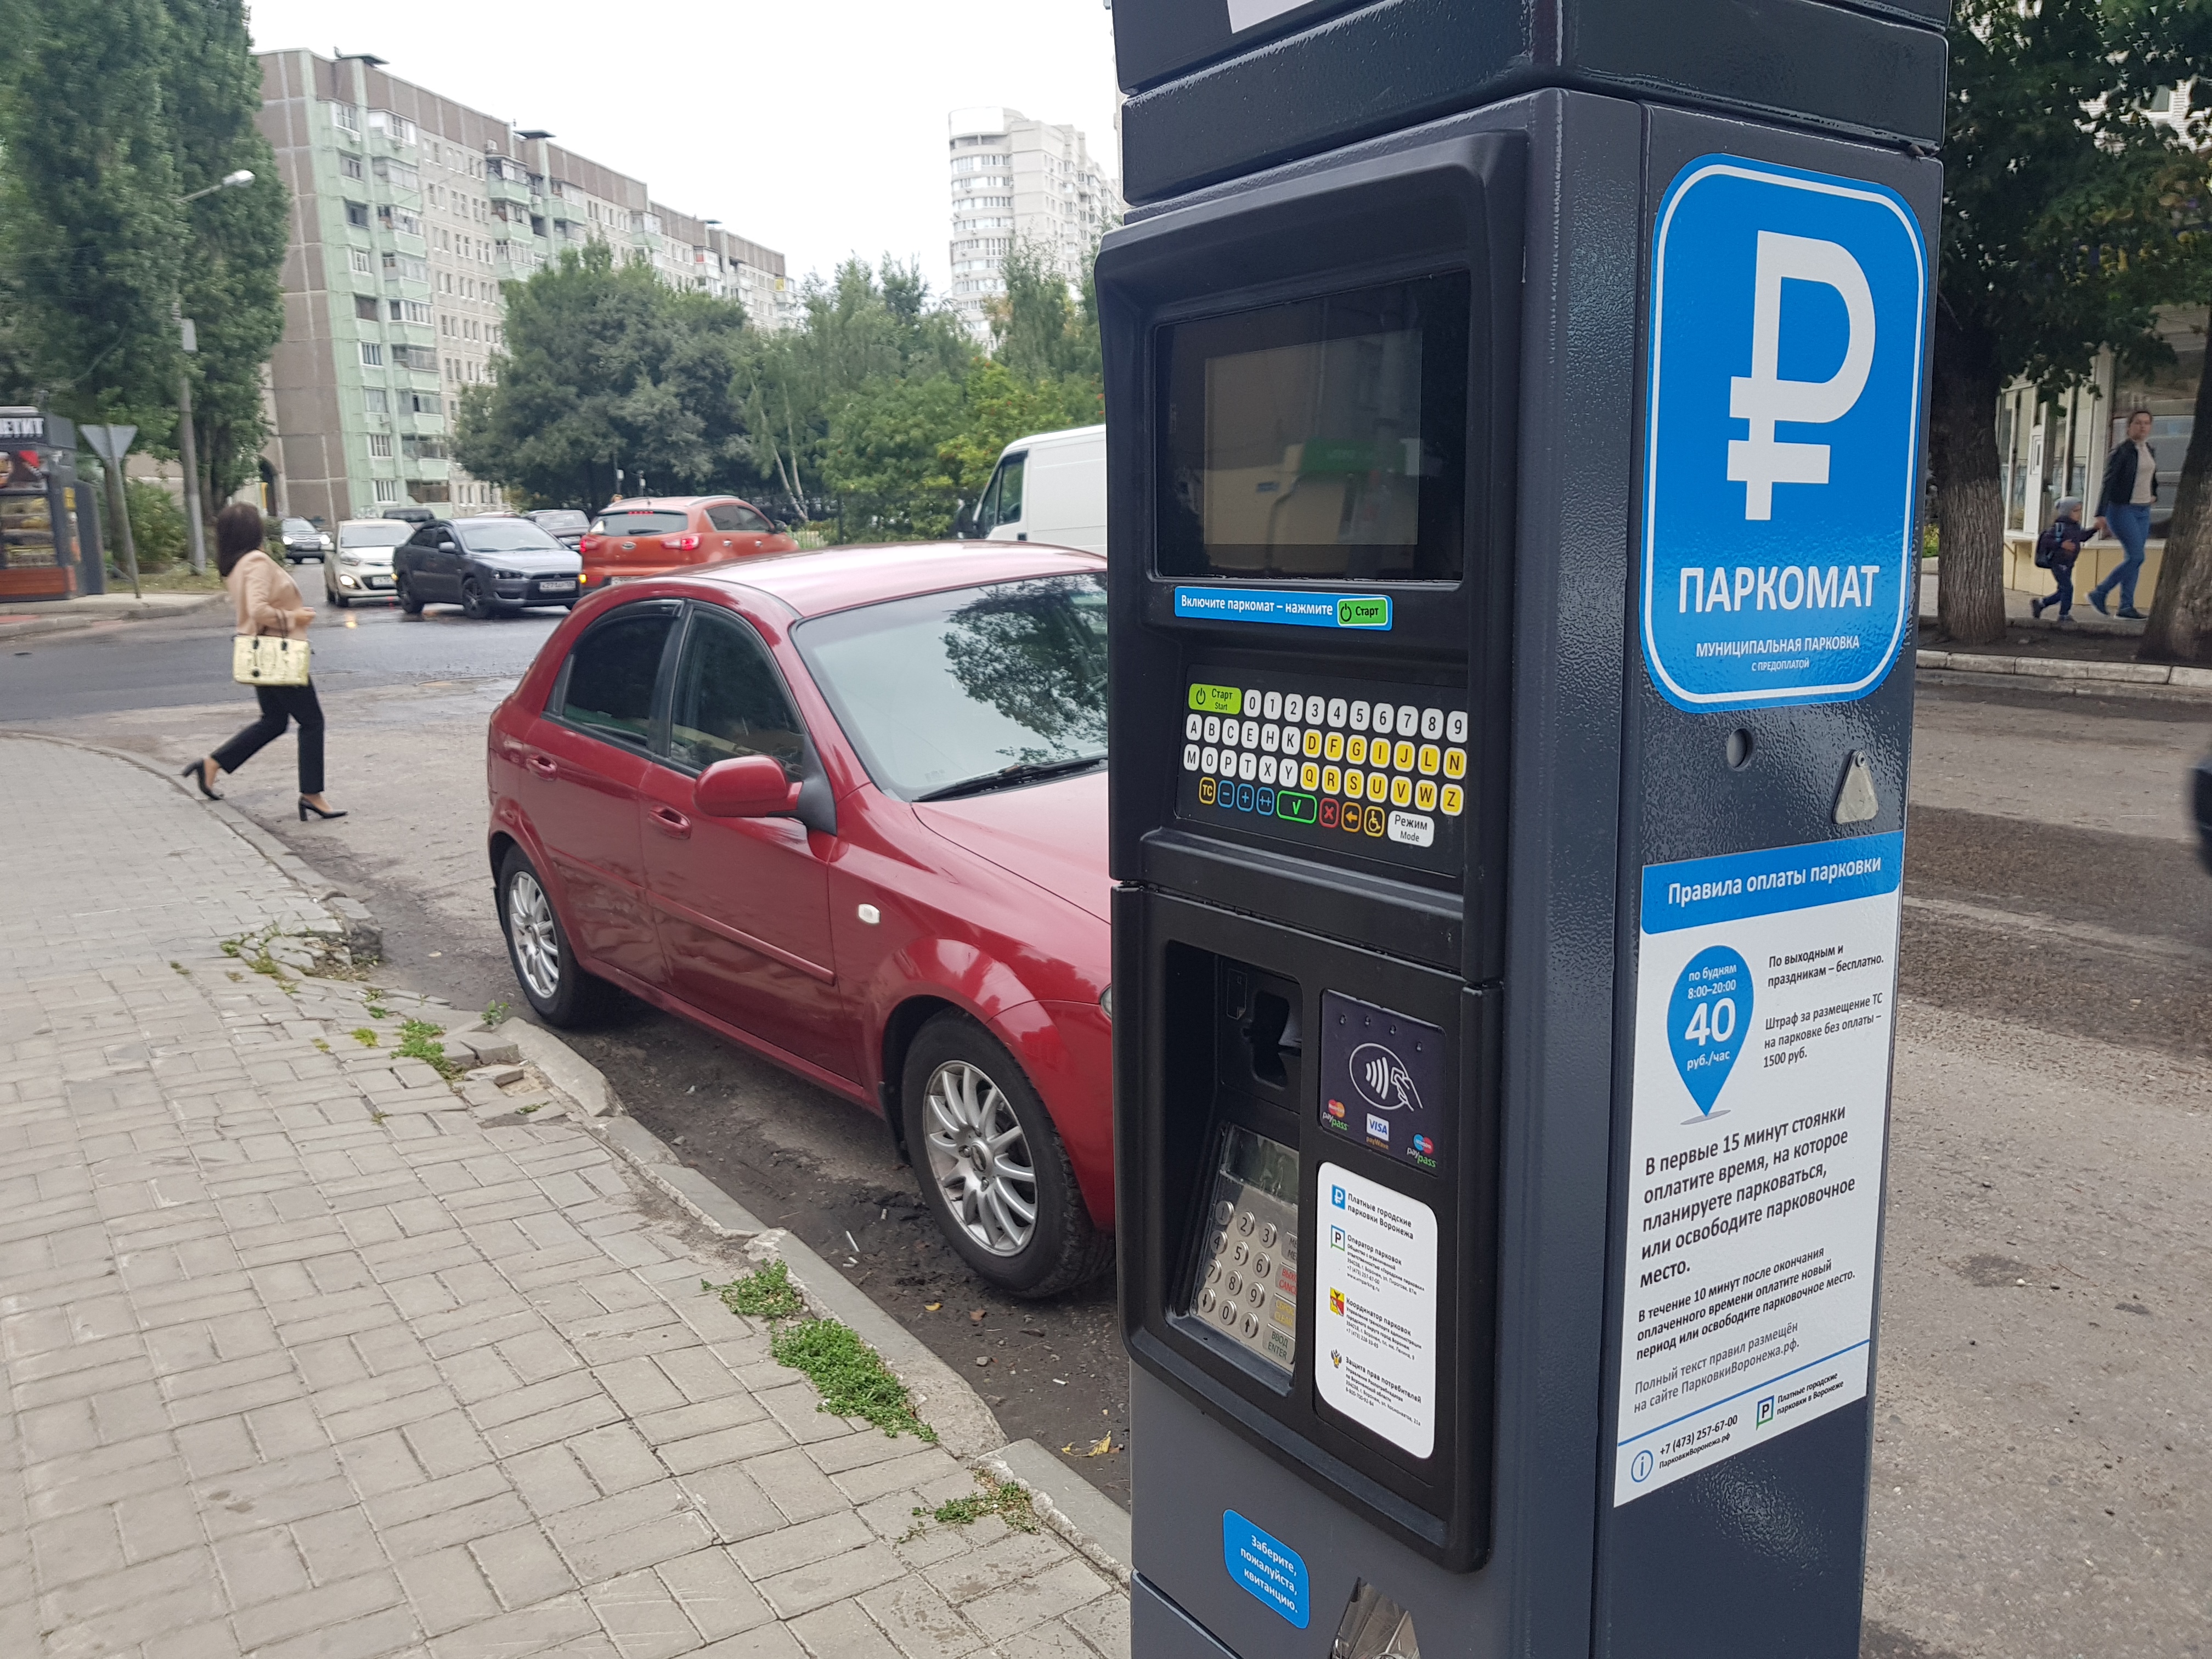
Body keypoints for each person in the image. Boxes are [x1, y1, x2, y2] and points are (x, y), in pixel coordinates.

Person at [182, 501, 346, 820]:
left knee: (273, 721)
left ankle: (212, 764)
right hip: (276, 652)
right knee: (312, 721)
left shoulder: (235, 566)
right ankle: (311, 794)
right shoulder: (256, 561)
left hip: (258, 650)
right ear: (253, 530)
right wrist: (295, 617)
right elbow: (258, 611)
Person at [2091, 408, 2156, 619]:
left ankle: (2126, 607)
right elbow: (2109, 482)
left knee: (2134, 559)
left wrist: (2154, 493)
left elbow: (2151, 476)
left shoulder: (2149, 449)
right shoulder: (2122, 452)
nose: (2143, 426)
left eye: (2146, 423)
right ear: (2129, 427)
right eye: (2138, 423)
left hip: (2143, 510)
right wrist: (2100, 513)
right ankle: (2100, 592)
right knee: (2137, 556)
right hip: (2122, 509)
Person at [2030, 496, 2085, 623]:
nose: (2079, 514)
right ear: (2067, 512)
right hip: (2058, 563)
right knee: (2068, 588)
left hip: (2069, 563)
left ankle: (2041, 604)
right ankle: (2064, 615)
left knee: (2063, 591)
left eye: (2080, 511)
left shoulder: (2076, 527)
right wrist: (2061, 545)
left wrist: (2096, 529)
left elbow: (2083, 537)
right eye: (2076, 511)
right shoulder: (2058, 527)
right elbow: (2046, 541)